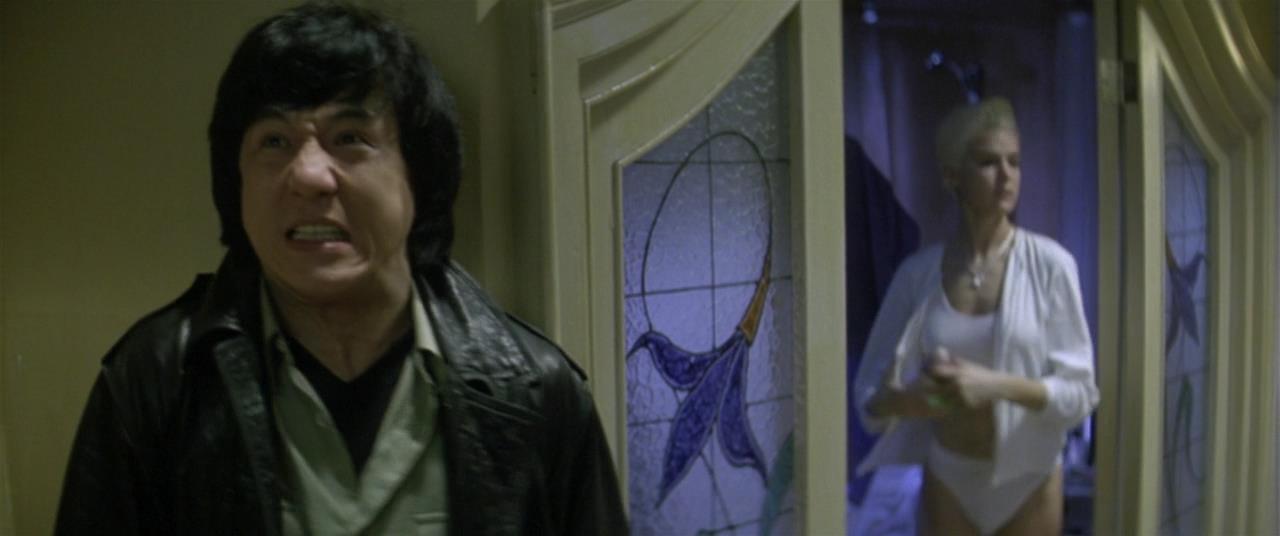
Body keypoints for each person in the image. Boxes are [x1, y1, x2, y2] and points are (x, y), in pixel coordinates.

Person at [54, 3, 626, 534]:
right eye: (274, 141)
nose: (308, 175)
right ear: (237, 183)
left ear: (419, 173)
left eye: (349, 138)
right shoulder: (155, 383)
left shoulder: (534, 391)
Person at [853, 97, 1098, 535]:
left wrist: (993, 385)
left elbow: (1081, 394)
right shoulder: (917, 275)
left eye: (1014, 162)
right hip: (948, 476)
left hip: (1030, 480)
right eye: (988, 162)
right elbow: (870, 396)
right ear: (952, 175)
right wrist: (907, 400)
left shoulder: (1052, 265)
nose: (1007, 176)